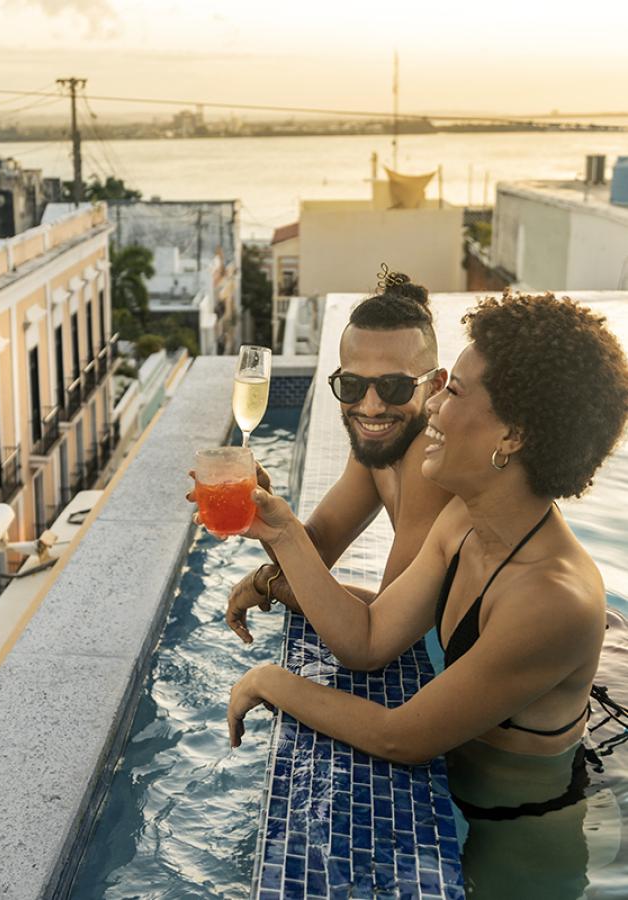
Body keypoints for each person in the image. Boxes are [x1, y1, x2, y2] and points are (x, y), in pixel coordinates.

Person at [223, 292, 628, 898]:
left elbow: (404, 737)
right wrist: (278, 528)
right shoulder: (465, 519)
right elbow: (368, 638)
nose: (431, 404)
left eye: (453, 391)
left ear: (514, 434)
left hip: (522, 839)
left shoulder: (553, 598)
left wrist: (268, 680)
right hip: (465, 789)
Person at [222, 273, 451, 643]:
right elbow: (315, 550)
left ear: (435, 385)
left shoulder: (433, 463)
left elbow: (379, 631)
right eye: (353, 386)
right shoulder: (380, 448)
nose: (371, 407)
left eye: (394, 386)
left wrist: (269, 584)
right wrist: (266, 505)